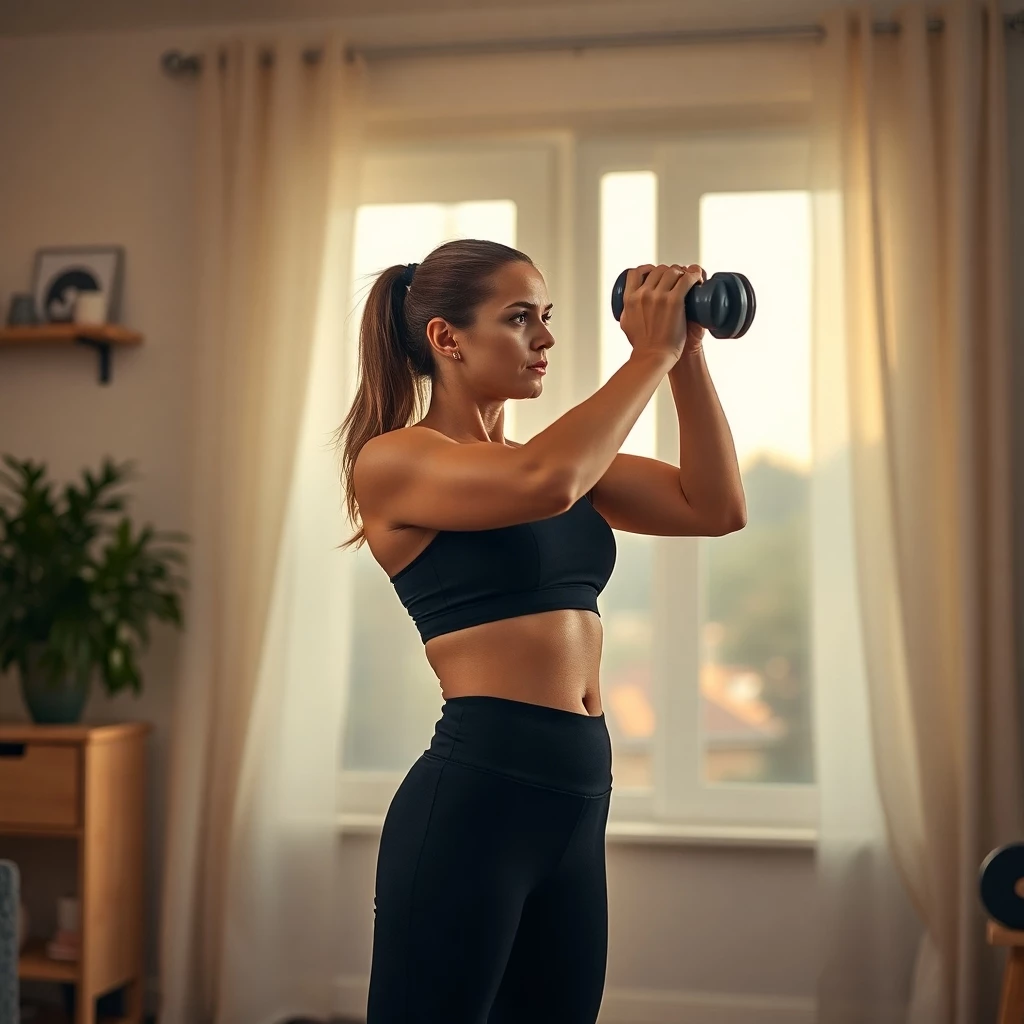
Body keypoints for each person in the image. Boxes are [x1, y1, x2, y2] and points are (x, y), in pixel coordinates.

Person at [334, 238, 746, 1023]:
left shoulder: (547, 459)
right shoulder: (394, 462)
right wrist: (646, 358)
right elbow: (544, 485)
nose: (546, 338)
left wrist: (685, 355)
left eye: (546, 316)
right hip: (476, 800)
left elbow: (714, 505)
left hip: (576, 804)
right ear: (445, 339)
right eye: (519, 318)